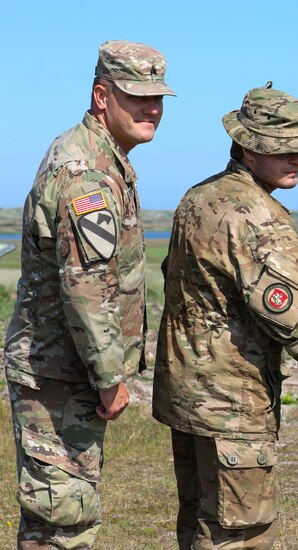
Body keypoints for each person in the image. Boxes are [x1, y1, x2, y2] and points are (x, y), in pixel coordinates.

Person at [152, 82, 298, 549]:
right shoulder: (257, 218)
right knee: (241, 534)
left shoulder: (196, 197)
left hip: (189, 399)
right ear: (246, 146)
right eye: (282, 149)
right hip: (232, 407)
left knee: (202, 522)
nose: (296, 159)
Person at [3, 40, 175, 549]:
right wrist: (109, 378)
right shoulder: (86, 172)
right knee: (64, 522)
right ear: (103, 96)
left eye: (158, 99)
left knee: (55, 516)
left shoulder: (101, 156)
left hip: (62, 366)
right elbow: (86, 288)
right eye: (137, 97)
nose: (152, 109)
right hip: (59, 371)